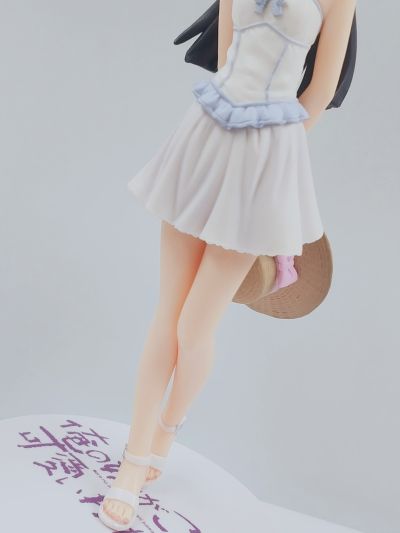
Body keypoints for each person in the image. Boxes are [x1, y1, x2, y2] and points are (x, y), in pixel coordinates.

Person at [98, 0, 357, 529]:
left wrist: (276, 155)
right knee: (167, 315)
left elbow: (320, 91)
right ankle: (134, 460)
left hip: (265, 155)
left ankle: (168, 427)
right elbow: (225, 59)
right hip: (206, 136)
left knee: (195, 328)